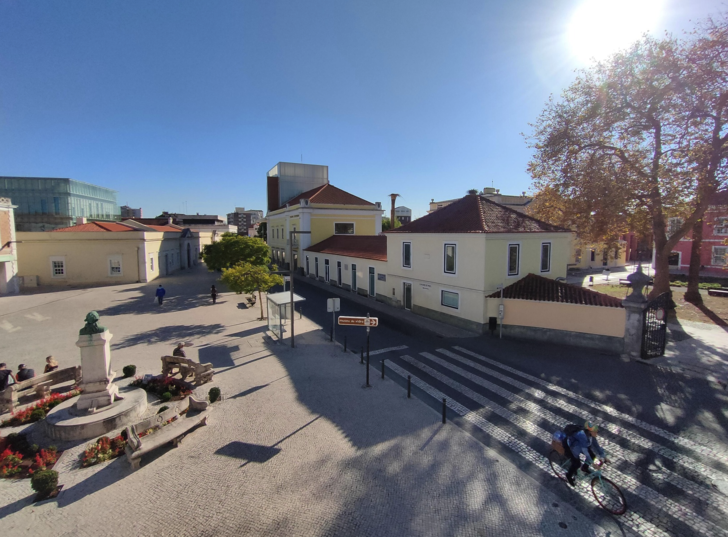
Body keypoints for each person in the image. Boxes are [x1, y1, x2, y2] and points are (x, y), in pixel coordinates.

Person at [563, 421, 608, 487]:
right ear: (590, 431)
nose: (597, 433)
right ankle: (568, 476)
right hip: (571, 447)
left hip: (581, 445)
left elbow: (597, 446)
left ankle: (584, 468)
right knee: (577, 464)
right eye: (596, 432)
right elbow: (585, 451)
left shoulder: (591, 436)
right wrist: (593, 463)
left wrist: (604, 456)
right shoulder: (582, 436)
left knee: (593, 456)